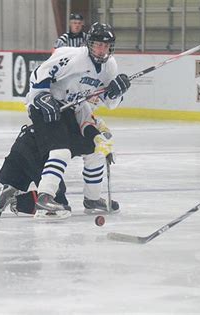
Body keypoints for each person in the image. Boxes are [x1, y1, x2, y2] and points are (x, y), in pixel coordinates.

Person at [0, 104, 119, 217]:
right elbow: (88, 144)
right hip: (38, 153)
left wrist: (101, 144)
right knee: (58, 204)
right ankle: (16, 199)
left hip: (22, 144)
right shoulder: (84, 124)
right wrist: (100, 147)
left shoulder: (74, 113)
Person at [25, 22, 131, 219]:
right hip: (47, 107)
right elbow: (40, 73)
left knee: (96, 151)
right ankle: (45, 197)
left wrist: (117, 92)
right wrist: (41, 96)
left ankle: (92, 199)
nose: (102, 50)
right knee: (61, 151)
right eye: (98, 44)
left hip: (72, 109)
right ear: (89, 44)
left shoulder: (110, 65)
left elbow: (110, 102)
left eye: (106, 46)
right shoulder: (72, 57)